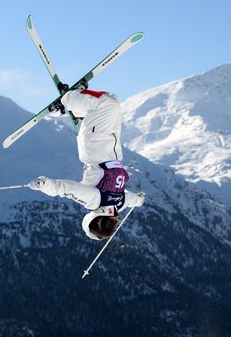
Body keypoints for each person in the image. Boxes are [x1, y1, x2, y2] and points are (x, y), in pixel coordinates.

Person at [28, 82, 145, 240]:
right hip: (113, 146)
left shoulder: (95, 200)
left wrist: (46, 185)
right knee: (111, 108)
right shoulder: (120, 204)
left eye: (108, 225)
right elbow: (132, 200)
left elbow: (68, 190)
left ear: (96, 221)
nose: (114, 222)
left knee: (108, 103)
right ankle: (78, 109)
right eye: (114, 226)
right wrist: (139, 201)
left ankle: (66, 100)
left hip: (95, 146)